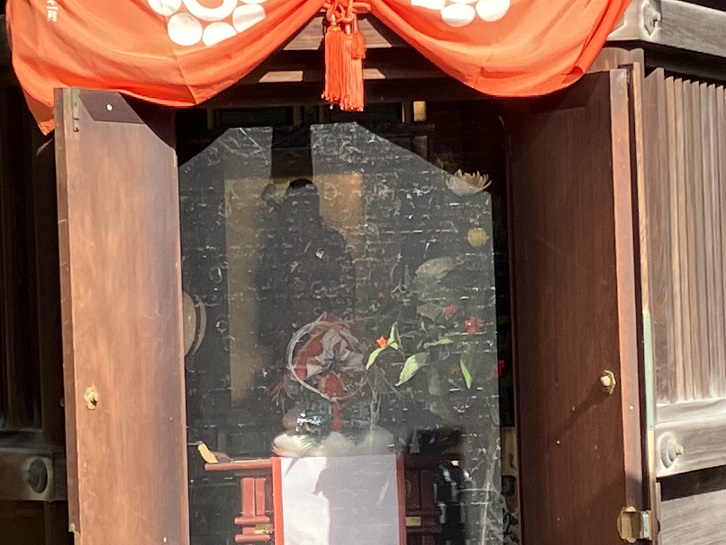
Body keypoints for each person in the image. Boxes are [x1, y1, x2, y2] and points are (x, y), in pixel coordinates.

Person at [256, 178, 356, 367]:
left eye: (305, 205)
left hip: (326, 341)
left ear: (315, 206)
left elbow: (347, 291)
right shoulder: (278, 244)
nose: (300, 212)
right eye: (294, 206)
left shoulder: (332, 242)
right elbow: (265, 286)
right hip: (286, 341)